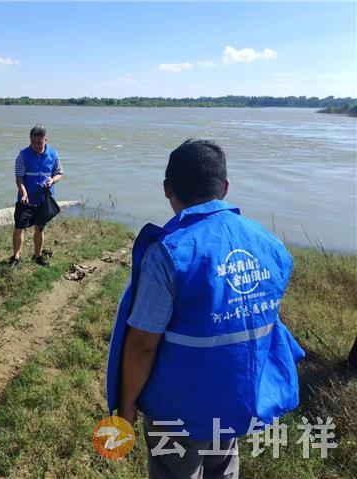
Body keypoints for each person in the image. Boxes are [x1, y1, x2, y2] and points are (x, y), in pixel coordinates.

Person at [106, 139, 305, 479]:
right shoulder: (269, 244)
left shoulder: (170, 252)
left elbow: (142, 346)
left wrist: (125, 406)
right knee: (223, 467)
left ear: (168, 189)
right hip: (235, 397)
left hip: (178, 410)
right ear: (225, 187)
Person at [10, 124, 64, 268]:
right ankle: (16, 257)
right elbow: (19, 178)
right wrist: (24, 193)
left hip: (44, 199)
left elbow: (59, 173)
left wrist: (52, 180)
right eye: (33, 142)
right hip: (26, 199)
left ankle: (38, 256)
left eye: (39, 142)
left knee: (40, 228)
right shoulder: (22, 155)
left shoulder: (53, 154)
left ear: (45, 140)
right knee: (19, 227)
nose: (36, 145)